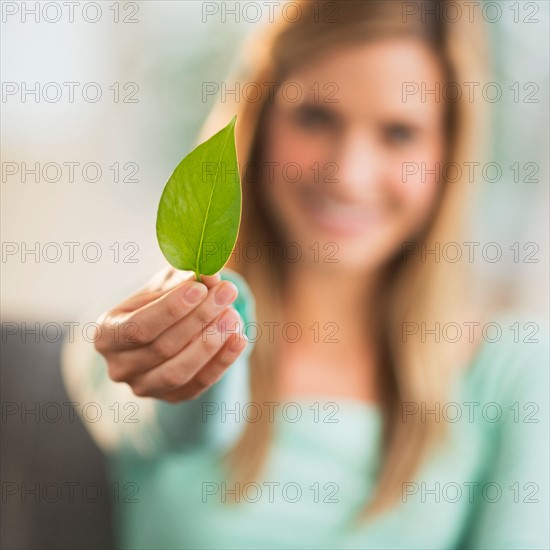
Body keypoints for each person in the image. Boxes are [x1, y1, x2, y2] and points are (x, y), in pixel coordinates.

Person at [62, 1, 549, 548]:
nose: (348, 175)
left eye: (399, 134)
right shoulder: (131, 336)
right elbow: (168, 418)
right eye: (317, 116)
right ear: (261, 120)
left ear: (448, 155)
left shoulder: (515, 374)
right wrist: (182, 372)